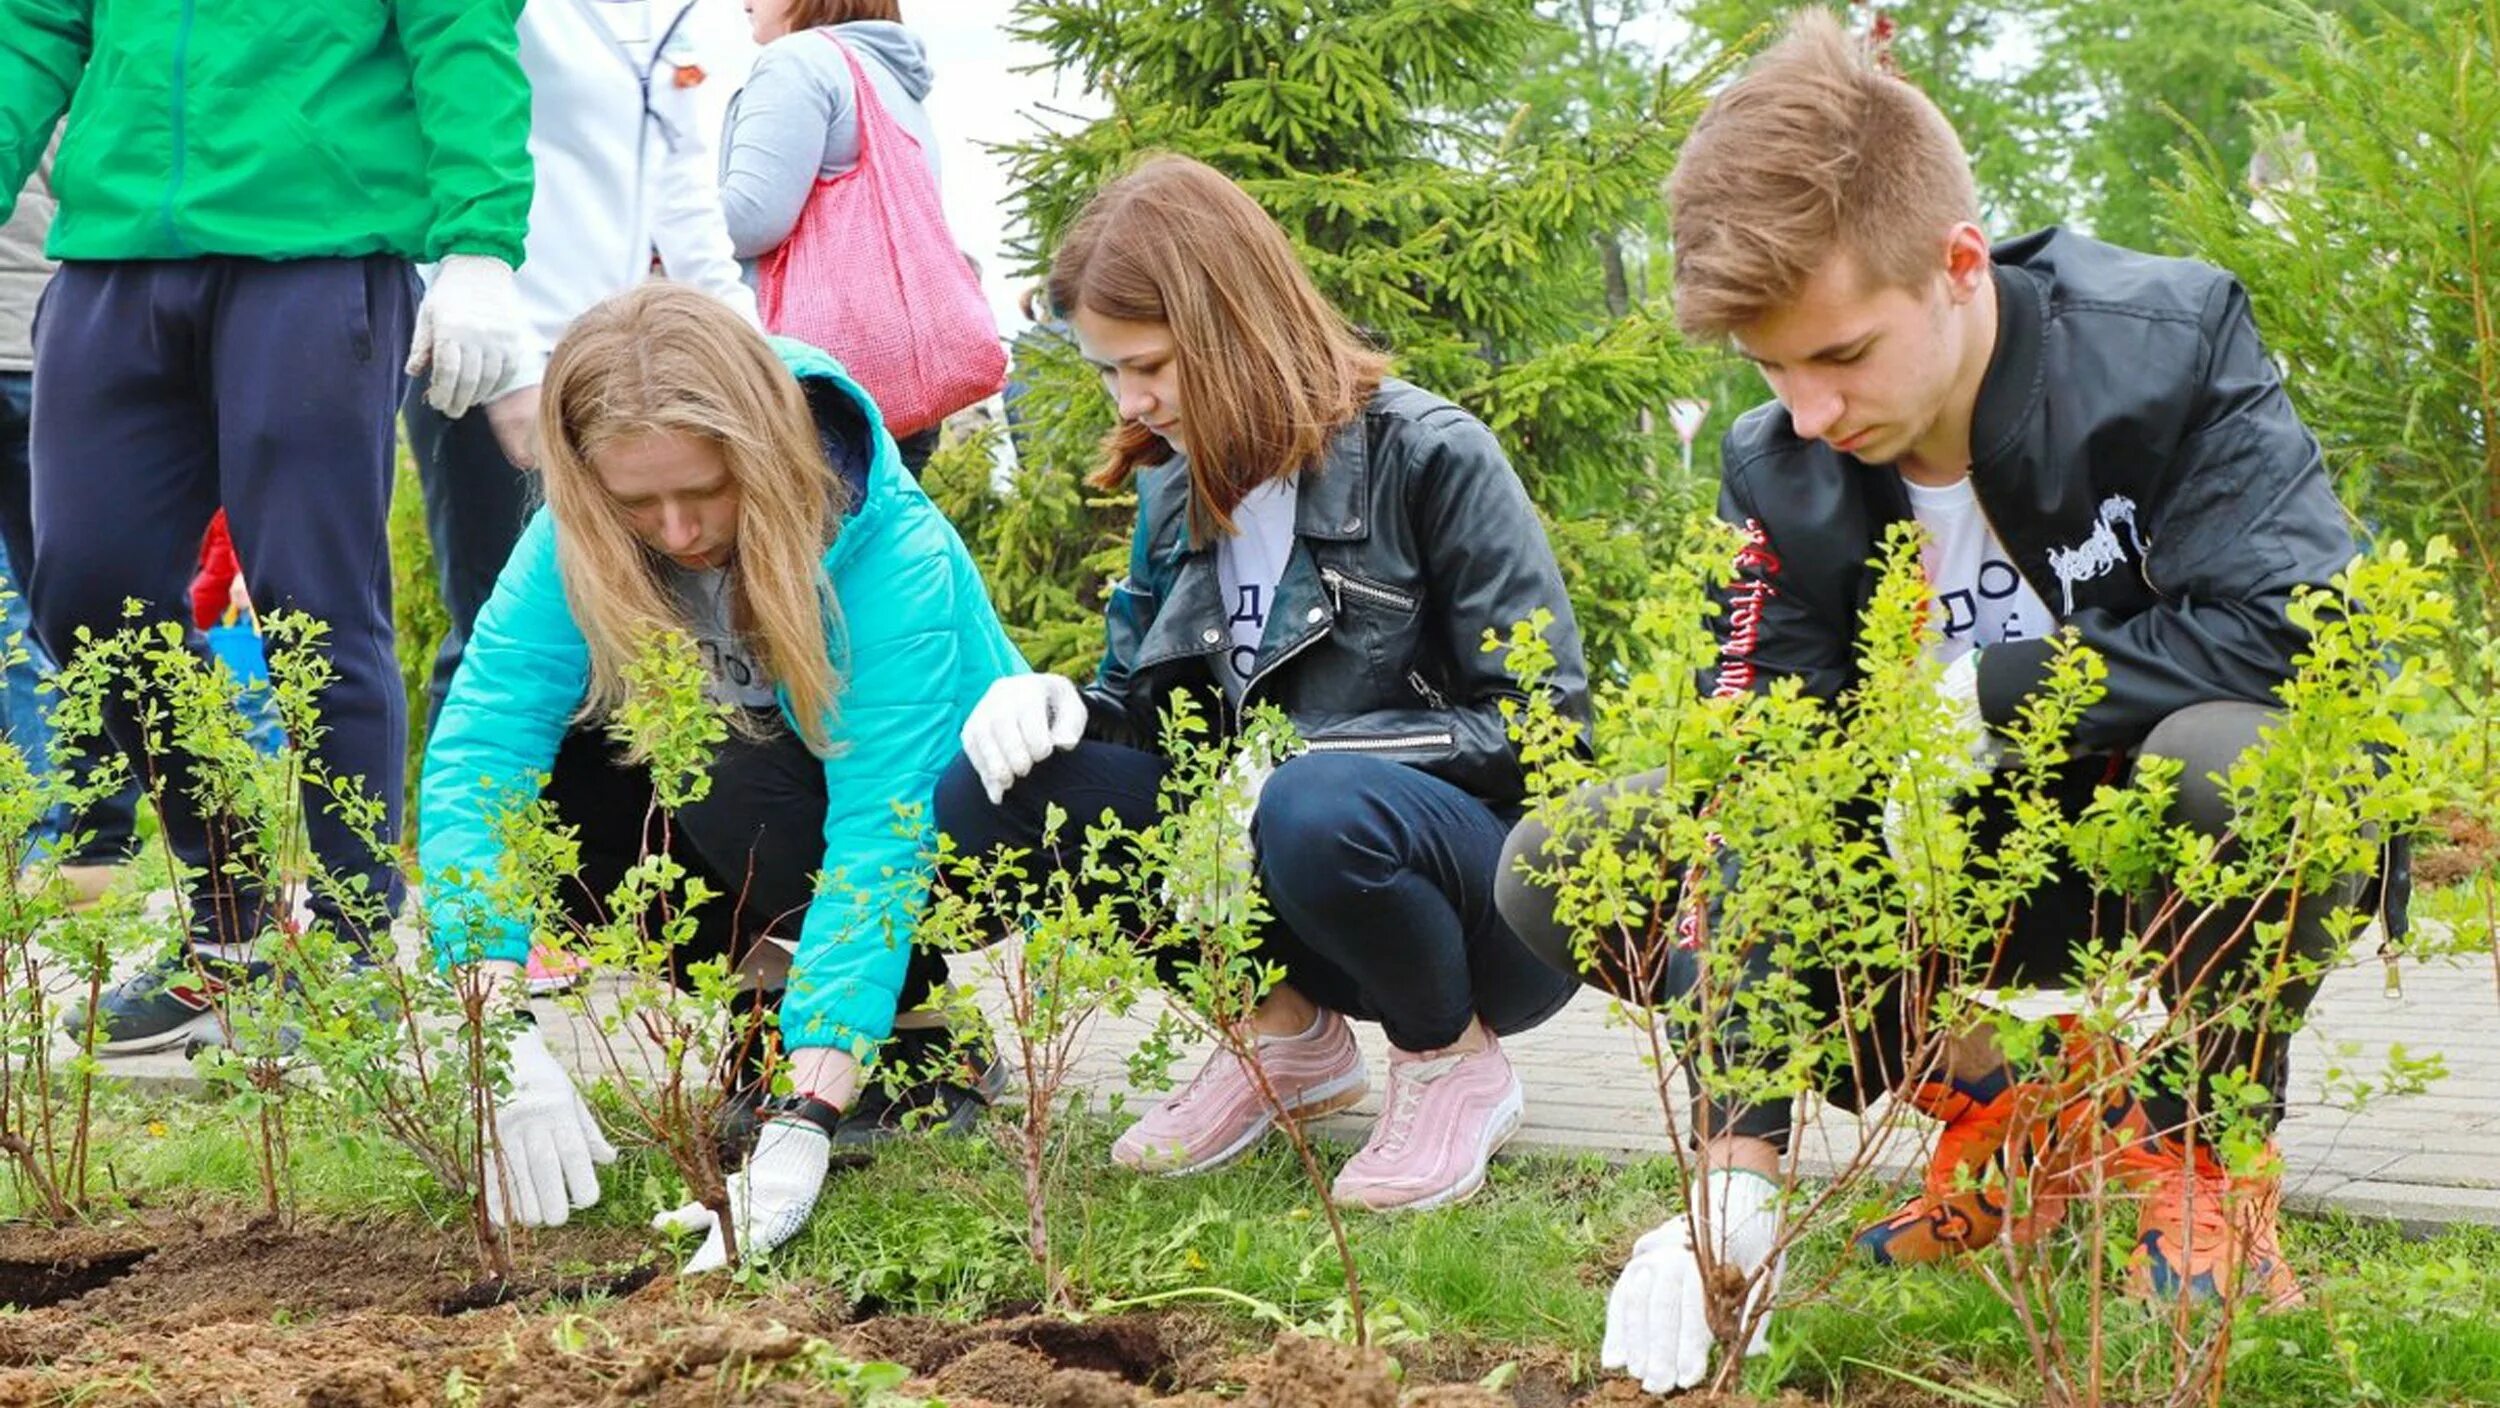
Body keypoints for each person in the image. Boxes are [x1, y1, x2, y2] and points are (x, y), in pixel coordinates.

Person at [1492, 11, 2371, 1392]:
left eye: (1840, 354)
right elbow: (1768, 788)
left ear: (1962, 263)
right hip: (1932, 875)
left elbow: (2300, 639)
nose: (1808, 410)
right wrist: (1739, 1169)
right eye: (1769, 368)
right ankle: (2014, 1115)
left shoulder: (2164, 345)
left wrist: (1992, 693)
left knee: (2247, 764)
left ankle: (2196, 1147)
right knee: (1572, 859)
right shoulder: (1779, 467)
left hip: (2144, 853)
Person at [935, 155, 1593, 1214]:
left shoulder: (1428, 456)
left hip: (1486, 913)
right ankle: (1282, 1035)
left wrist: (1308, 757)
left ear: (1232, 323)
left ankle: (1448, 1063)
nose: (1132, 400)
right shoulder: (1173, 492)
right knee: (997, 786)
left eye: (1146, 363)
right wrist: (1054, 705)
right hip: (1289, 888)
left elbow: (1542, 731)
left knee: (1310, 796)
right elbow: (1143, 731)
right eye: (1108, 372)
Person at [419, 283, 1021, 1267]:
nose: (678, 529)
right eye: (634, 502)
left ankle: (905, 1023)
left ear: (763, 454)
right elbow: (483, 745)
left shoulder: (881, 541)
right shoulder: (573, 538)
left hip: (945, 839)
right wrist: (496, 1033)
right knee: (571, 774)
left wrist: (800, 1121)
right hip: (759, 824)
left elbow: (885, 827)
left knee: (718, 751)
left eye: (704, 491)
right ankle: (765, 1006)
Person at [2, 0, 534, 1053]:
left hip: (316, 252)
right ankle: (230, 924)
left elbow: (460, 29)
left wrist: (482, 241)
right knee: (86, 602)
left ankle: (350, 936)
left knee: (314, 607)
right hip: (113, 251)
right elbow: (33, 29)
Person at [407, 0, 761, 730]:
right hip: (488, 348)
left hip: (611, 365)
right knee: (500, 622)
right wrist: (508, 369)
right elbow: (438, 137)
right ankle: (476, 836)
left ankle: (616, 839)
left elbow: (684, 193)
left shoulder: (675, 15)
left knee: (628, 625)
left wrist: (754, 359)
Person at [718, 0, 950, 472]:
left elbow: (753, 216)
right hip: (898, 382)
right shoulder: (887, 70)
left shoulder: (799, 60)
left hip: (818, 388)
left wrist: (657, 224)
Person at [0, 136, 141, 906]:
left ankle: (80, 838)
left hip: (40, 348)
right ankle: (80, 838)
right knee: (48, 614)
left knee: (56, 613)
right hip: (48, 342)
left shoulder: (53, 21)